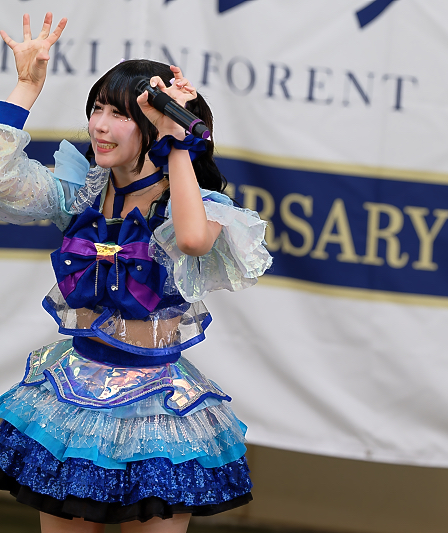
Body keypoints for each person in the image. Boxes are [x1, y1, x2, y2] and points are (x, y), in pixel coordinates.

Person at [0, 13, 273, 533]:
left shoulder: (195, 206)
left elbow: (191, 240)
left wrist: (177, 144)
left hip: (158, 413)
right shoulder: (81, 193)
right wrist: (26, 88)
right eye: (97, 109)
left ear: (154, 125)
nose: (100, 126)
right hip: (70, 399)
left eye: (120, 114)